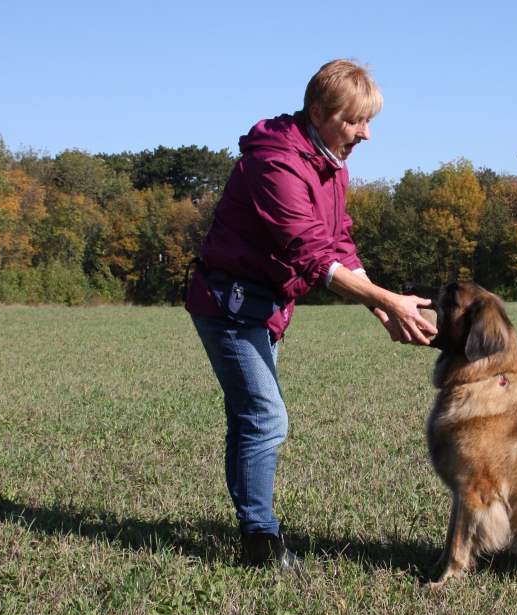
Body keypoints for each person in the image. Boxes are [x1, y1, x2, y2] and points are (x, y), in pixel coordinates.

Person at [184, 59, 436, 570]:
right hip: (228, 305)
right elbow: (310, 253)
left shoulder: (329, 161)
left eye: (369, 122)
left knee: (249, 417)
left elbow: (338, 239)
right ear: (318, 112)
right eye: (354, 121)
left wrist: (373, 304)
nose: (365, 134)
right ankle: (261, 541)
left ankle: (250, 527)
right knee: (265, 417)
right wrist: (386, 299)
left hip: (268, 307)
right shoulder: (275, 162)